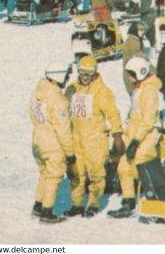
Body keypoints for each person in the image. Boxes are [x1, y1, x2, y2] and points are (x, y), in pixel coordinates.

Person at [65, 56, 124, 218]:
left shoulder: (102, 91)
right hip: (76, 138)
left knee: (96, 174)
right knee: (76, 173)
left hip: (96, 139)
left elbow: (113, 114)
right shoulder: (72, 89)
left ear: (95, 74)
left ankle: (93, 203)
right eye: (82, 73)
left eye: (88, 74)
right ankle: (76, 204)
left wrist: (117, 135)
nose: (84, 77)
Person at [108, 57, 161, 219]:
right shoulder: (138, 89)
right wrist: (125, 139)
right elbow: (133, 116)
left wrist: (136, 142)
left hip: (146, 136)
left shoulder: (149, 91)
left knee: (139, 167)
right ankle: (128, 203)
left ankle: (157, 201)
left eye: (131, 74)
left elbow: (148, 121)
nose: (129, 77)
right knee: (123, 167)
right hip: (134, 135)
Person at [30, 62, 76, 223]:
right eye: (67, 75)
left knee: (44, 174)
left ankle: (38, 205)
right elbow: (63, 129)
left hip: (37, 139)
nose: (68, 78)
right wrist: (70, 152)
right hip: (52, 143)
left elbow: (32, 115)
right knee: (54, 175)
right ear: (59, 76)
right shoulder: (58, 99)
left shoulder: (37, 92)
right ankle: (47, 211)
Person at [122, 21, 149, 95]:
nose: (142, 32)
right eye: (140, 30)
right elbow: (131, 58)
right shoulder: (131, 41)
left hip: (138, 72)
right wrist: (142, 56)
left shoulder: (138, 40)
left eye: (143, 30)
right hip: (131, 73)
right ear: (135, 30)